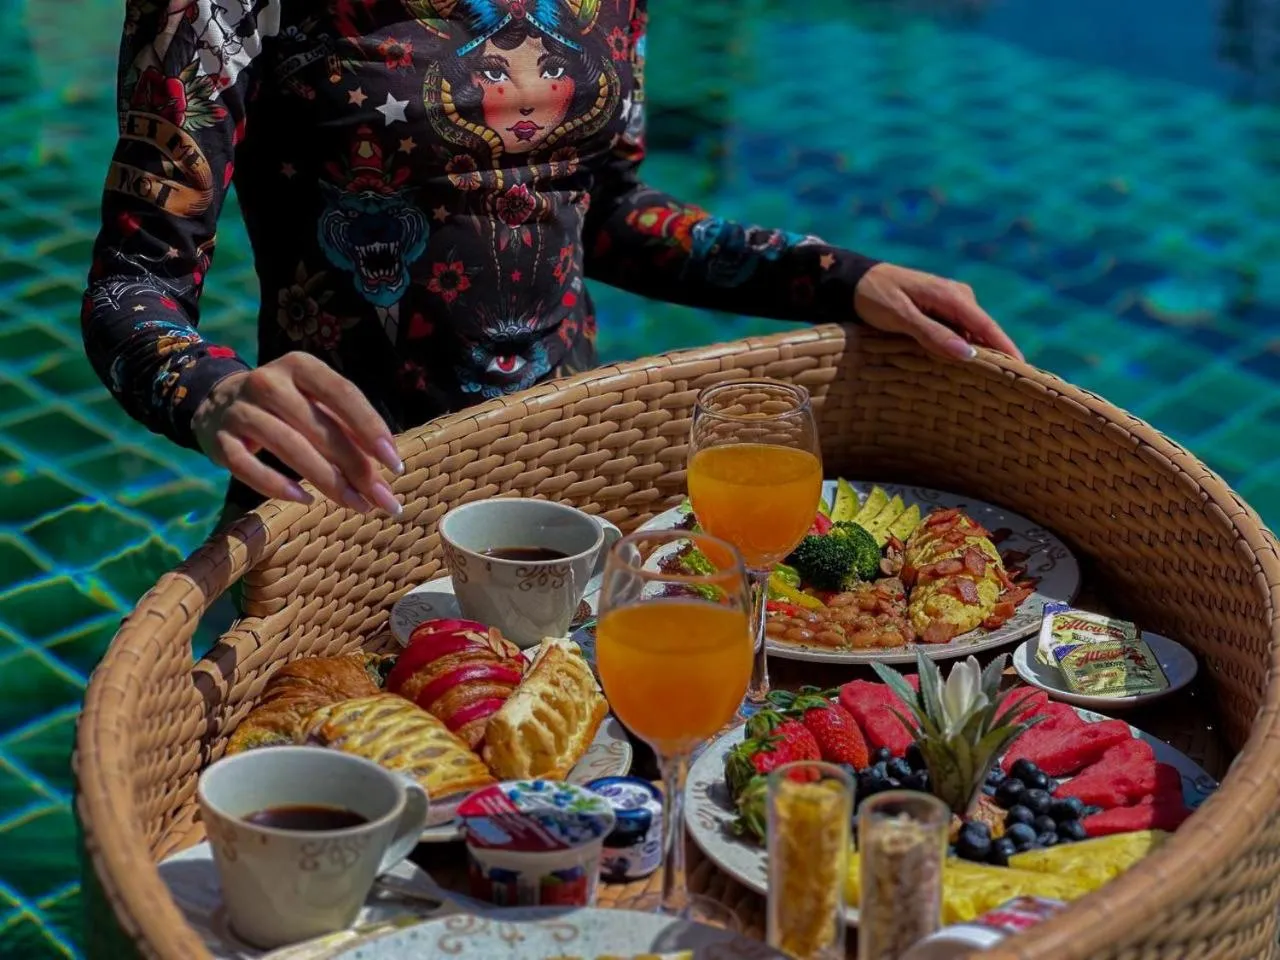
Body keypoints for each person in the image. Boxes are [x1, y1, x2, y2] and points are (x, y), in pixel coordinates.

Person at [82, 0, 1021, 526]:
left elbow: (607, 213)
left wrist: (840, 277)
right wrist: (211, 392)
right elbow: (135, 286)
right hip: (349, 497)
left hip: (567, 479)